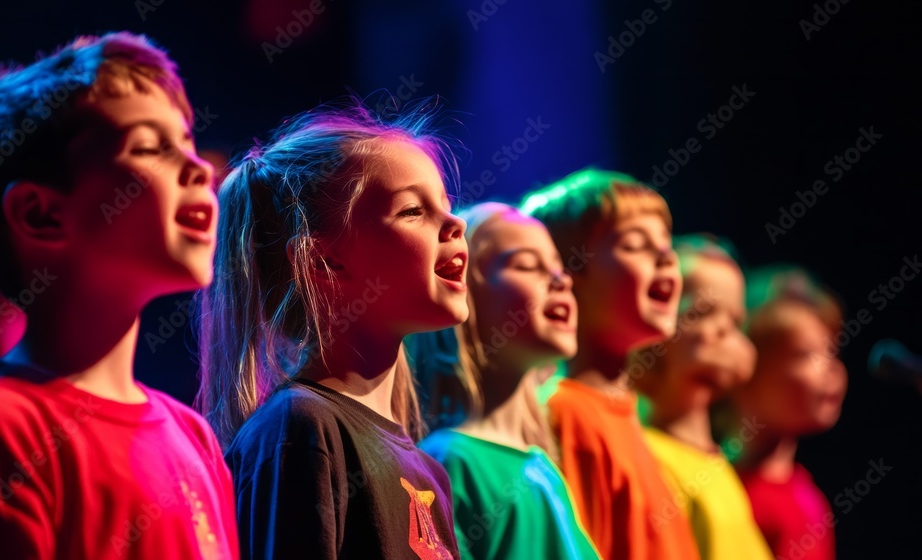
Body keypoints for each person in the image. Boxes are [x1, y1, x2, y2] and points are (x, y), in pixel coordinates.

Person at [0, 32, 238, 559]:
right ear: (42, 214)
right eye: (149, 147)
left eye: (186, 141)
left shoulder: (195, 437)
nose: (199, 166)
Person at [203, 100, 466, 559]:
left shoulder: (430, 472)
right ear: (325, 262)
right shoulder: (300, 428)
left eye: (445, 205)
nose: (456, 223)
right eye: (412, 211)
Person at [520, 168, 700, 560]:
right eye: (636, 245)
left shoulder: (625, 413)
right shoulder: (570, 414)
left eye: (666, 244)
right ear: (569, 274)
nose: (666, 257)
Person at [412, 202, 601, 560]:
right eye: (527, 265)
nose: (562, 279)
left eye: (558, 266)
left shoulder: (543, 466)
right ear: (464, 294)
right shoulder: (449, 464)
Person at [633, 234, 772, 560]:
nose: (725, 332)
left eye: (736, 321)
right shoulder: (648, 455)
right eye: (702, 312)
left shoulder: (715, 462)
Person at [730, 266, 847, 560]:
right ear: (746, 370)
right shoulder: (730, 494)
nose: (832, 370)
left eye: (831, 352)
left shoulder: (805, 492)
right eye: (806, 354)